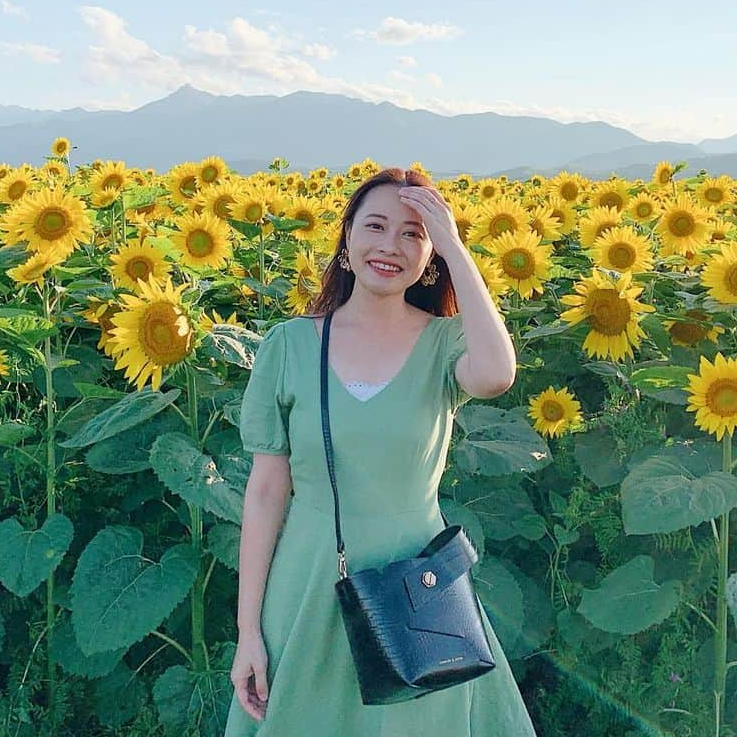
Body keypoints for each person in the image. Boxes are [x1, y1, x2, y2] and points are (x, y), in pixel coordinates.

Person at [224, 167, 540, 736]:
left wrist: (455, 244)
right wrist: (249, 631)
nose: (389, 246)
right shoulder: (290, 344)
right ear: (347, 240)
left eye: (413, 234)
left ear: (431, 256)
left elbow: (496, 374)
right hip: (308, 580)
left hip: (417, 589)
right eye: (375, 225)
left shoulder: (446, 342)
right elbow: (267, 492)